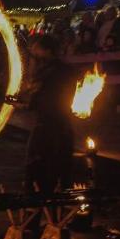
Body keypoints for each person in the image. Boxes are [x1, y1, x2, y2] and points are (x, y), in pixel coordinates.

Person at [23, 35, 78, 195]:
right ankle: (58, 213)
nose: (33, 51)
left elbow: (41, 99)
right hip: (64, 127)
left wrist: (25, 103)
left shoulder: (48, 72)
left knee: (37, 170)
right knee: (61, 171)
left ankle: (36, 208)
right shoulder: (66, 70)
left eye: (36, 48)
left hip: (47, 128)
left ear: (47, 50)